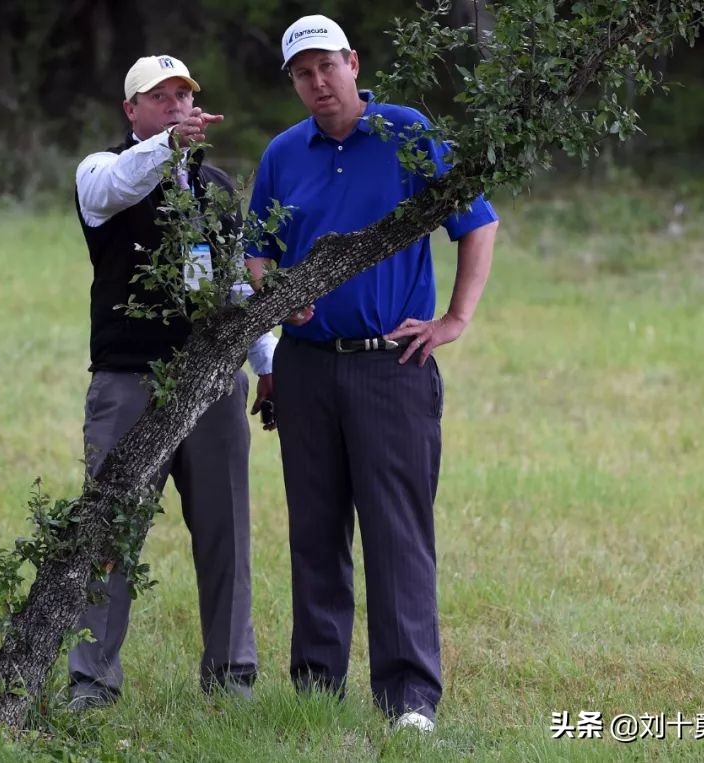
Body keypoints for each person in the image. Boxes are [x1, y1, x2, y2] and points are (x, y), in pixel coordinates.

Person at [245, 15, 499, 732]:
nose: (318, 82)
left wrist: (454, 319)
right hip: (305, 370)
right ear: (292, 81)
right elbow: (257, 255)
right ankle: (316, 686)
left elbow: (476, 221)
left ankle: (410, 697)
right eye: (303, 72)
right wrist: (275, 298)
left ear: (354, 62)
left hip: (393, 365)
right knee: (315, 529)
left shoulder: (405, 130)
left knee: (397, 533)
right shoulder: (282, 153)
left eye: (328, 65)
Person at [70, 54, 278, 709]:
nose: (174, 104)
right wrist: (165, 147)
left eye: (183, 94)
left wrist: (266, 363)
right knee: (109, 531)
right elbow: (114, 189)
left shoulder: (215, 184)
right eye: (157, 96)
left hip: (212, 382)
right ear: (130, 110)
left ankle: (232, 673)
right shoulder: (103, 170)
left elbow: (237, 283)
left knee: (226, 530)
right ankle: (92, 678)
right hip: (128, 380)